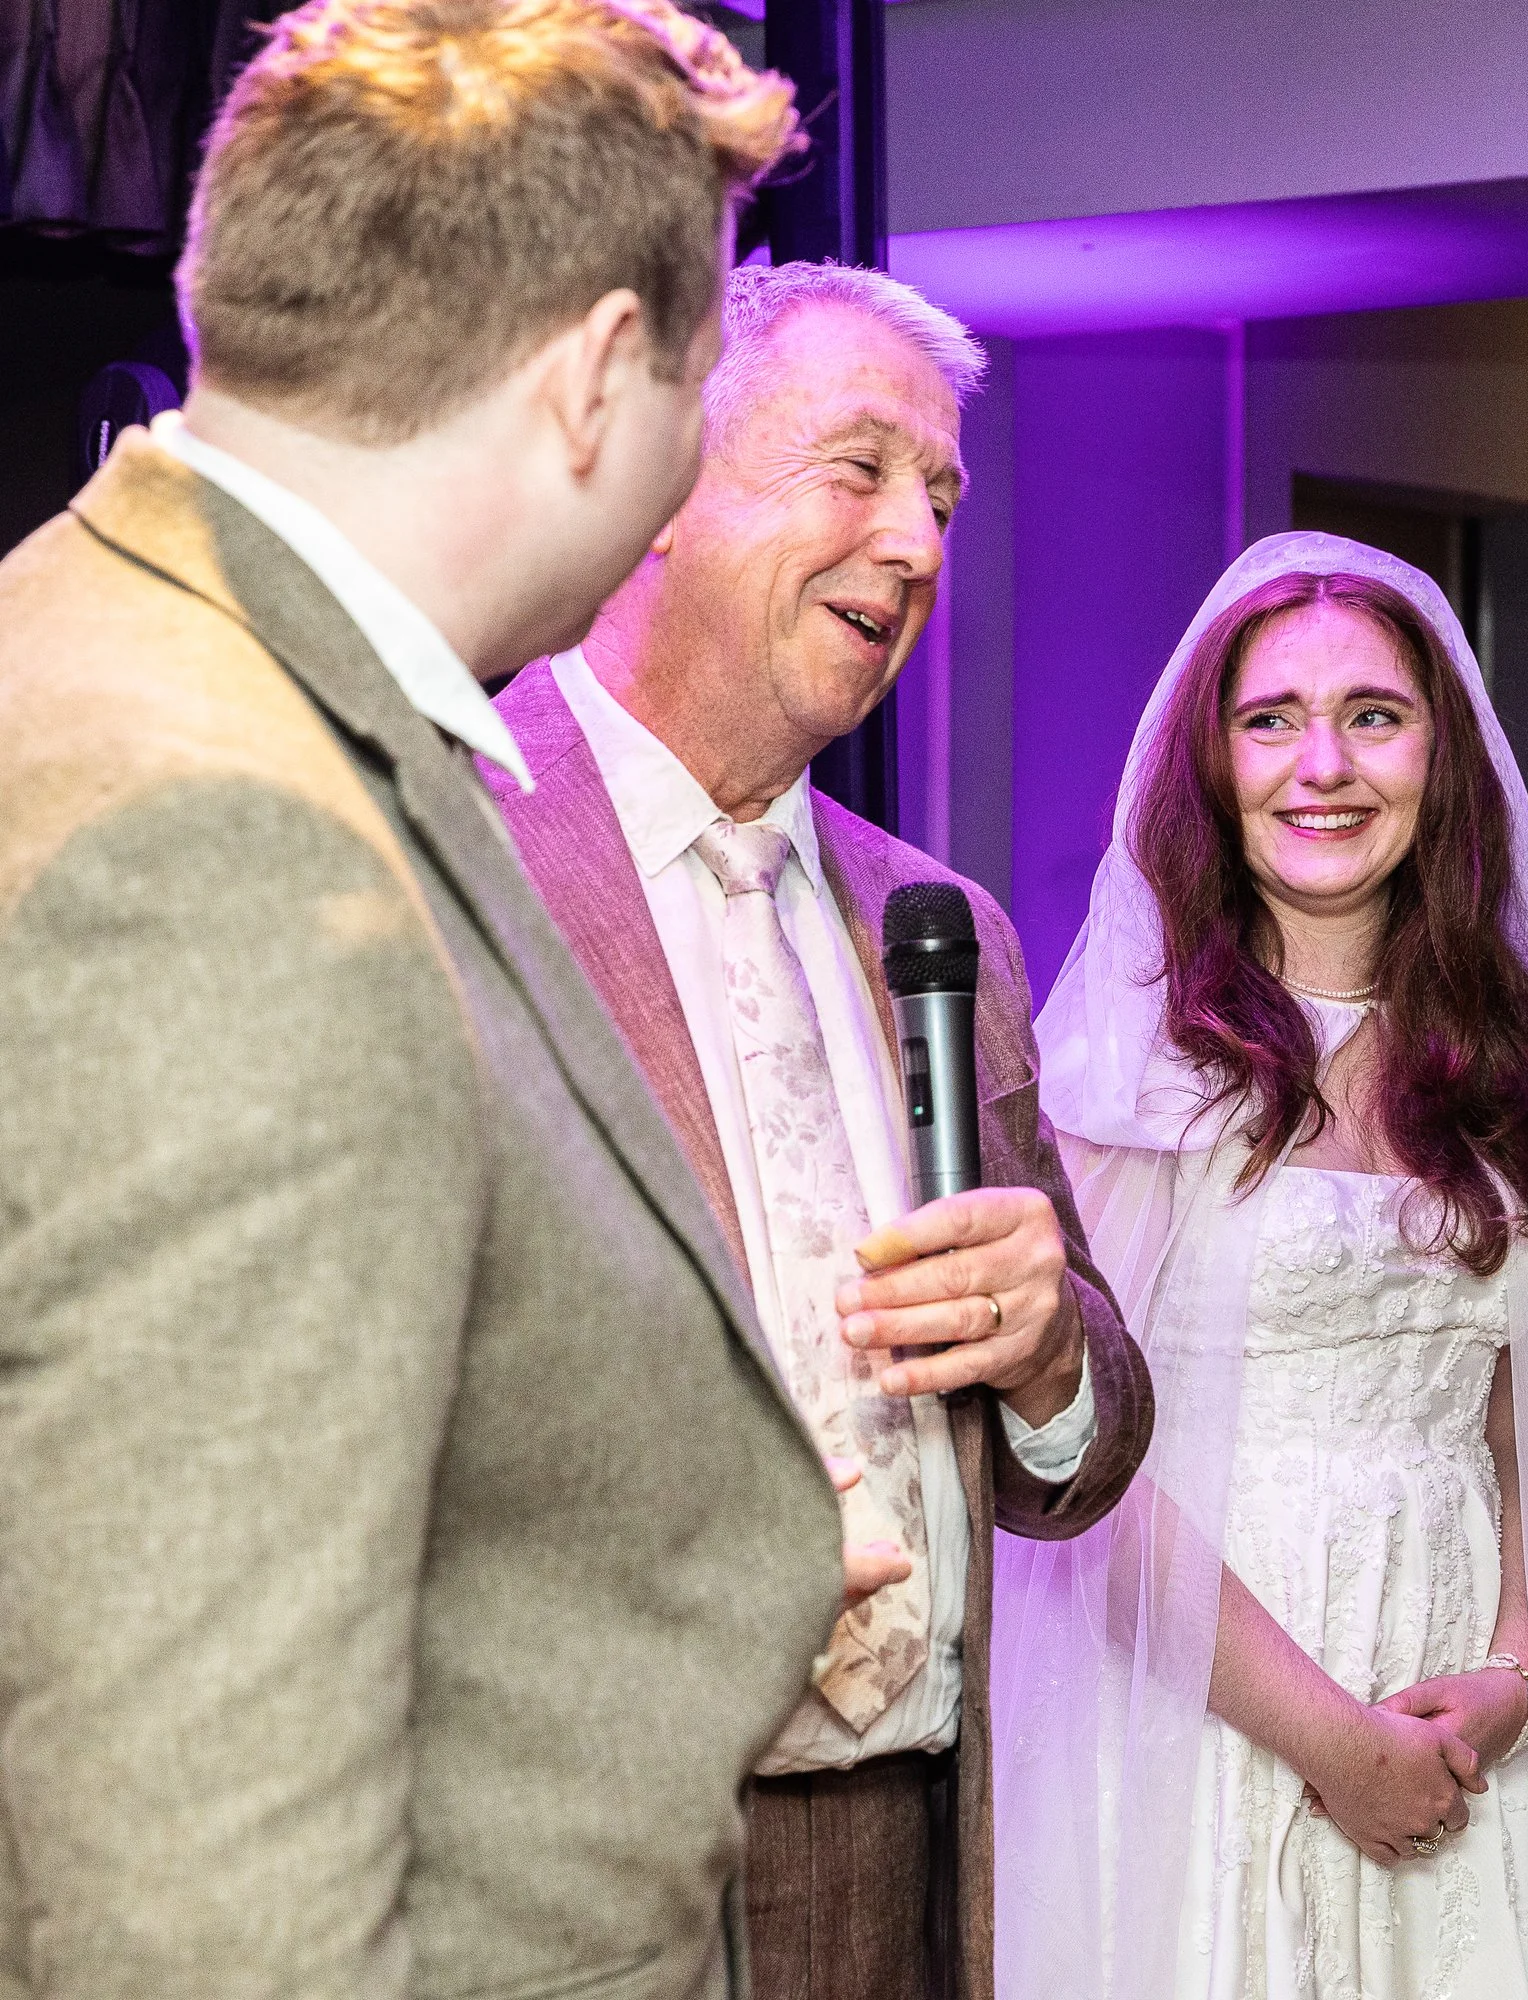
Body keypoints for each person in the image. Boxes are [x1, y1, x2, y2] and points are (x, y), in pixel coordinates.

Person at [0, 5, 854, 1995]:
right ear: (590, 382)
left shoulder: (142, 656)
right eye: (702, 388)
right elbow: (207, 1910)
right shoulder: (224, 840)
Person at [484, 259, 1153, 2000]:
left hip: (911, 1858)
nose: (920, 545)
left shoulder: (939, 925)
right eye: (857, 471)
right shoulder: (441, 856)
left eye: (940, 497)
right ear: (658, 484)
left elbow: (1085, 1444)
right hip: (575, 1870)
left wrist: (1045, 1356)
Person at [995, 534, 1528, 2000]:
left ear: (1444, 758)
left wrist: (1511, 1679)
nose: (1325, 764)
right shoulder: (1132, 1072)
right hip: (1200, 1705)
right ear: (1214, 768)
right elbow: (1078, 1465)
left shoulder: (1514, 1070)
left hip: (1460, 1724)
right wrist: (1326, 1739)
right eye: (1271, 721)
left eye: (1374, 715)